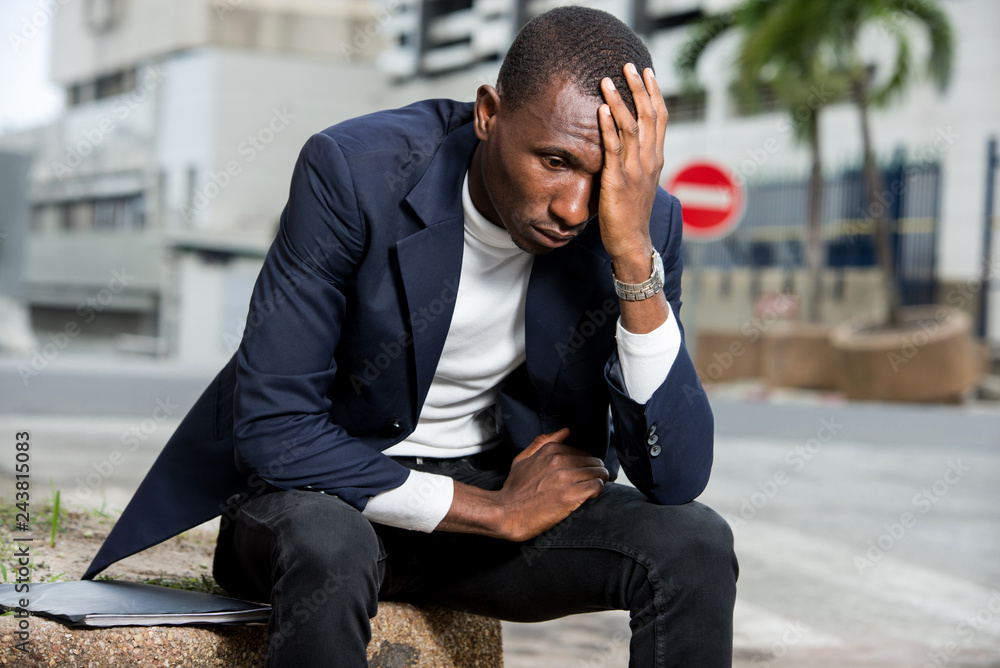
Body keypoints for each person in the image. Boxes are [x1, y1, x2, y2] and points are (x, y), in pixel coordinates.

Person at [85, 6, 737, 666]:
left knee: (694, 544)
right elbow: (275, 428)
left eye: (603, 176)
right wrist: (493, 510)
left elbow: (675, 476)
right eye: (553, 161)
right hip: (323, 498)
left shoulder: (638, 227)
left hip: (487, 524)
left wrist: (633, 261)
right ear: (488, 113)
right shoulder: (354, 173)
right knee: (329, 545)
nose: (573, 208)